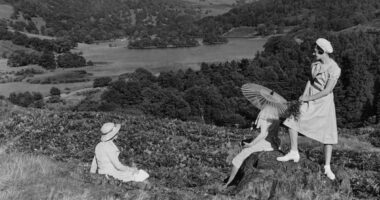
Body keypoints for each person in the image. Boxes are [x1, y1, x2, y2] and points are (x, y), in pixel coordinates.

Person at [276, 38, 341, 180]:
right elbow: (310, 81)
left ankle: (327, 166)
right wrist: (304, 96)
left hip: (324, 102)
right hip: (310, 97)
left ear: (323, 51)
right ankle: (294, 152)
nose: (313, 52)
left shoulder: (334, 69)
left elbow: (327, 91)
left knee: (327, 134)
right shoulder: (315, 64)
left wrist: (307, 99)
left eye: (316, 50)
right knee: (292, 120)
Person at [223, 105, 281, 188]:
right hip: (275, 143)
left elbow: (263, 134)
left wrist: (251, 144)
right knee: (248, 146)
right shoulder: (276, 112)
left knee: (240, 156)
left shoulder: (264, 113)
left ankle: (228, 183)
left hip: (266, 142)